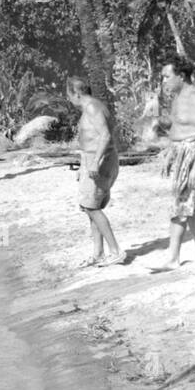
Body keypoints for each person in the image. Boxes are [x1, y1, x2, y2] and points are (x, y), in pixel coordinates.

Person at [66, 76, 123, 268]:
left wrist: (95, 163)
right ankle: (98, 254)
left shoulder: (91, 107)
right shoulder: (93, 105)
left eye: (69, 95)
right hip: (92, 159)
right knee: (91, 206)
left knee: (91, 207)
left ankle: (115, 251)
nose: (69, 99)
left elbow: (105, 135)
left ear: (77, 93)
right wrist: (84, 165)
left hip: (99, 159)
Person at [155, 56, 195, 270]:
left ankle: (174, 257)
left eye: (167, 76)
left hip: (194, 156)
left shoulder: (193, 96)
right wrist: (169, 152)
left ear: (181, 76)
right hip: (182, 154)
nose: (164, 81)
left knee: (182, 208)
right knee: (189, 209)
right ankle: (193, 255)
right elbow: (179, 130)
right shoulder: (178, 96)